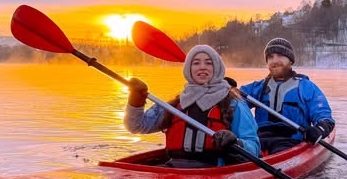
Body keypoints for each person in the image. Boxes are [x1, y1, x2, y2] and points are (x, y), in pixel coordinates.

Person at [124, 45, 260, 168]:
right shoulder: (176, 104)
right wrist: (135, 101)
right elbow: (136, 126)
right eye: (196, 63)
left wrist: (235, 142)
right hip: (174, 170)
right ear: (189, 69)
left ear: (217, 68)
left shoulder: (234, 104)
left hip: (215, 171)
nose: (202, 67)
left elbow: (254, 147)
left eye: (209, 63)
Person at [240, 37, 335, 154]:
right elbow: (234, 101)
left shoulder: (306, 87)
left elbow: (324, 116)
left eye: (280, 55)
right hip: (259, 141)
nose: (275, 60)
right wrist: (224, 87)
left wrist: (319, 129)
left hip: (291, 142)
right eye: (270, 57)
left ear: (290, 60)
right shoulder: (257, 87)